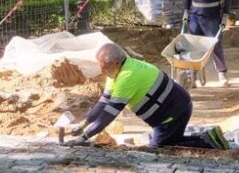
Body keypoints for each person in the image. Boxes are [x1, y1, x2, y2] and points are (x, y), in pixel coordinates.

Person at [65, 43, 229, 149]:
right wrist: (83, 123)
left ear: (115, 62)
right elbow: (102, 103)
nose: (102, 72)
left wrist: (84, 137)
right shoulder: (116, 72)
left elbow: (109, 114)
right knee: (171, 142)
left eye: (104, 67)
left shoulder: (127, 76)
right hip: (177, 107)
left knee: (159, 149)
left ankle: (207, 142)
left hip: (173, 114)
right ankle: (208, 139)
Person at [183, 0, 230, 85]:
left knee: (215, 45)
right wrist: (186, 12)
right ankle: (192, 76)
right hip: (195, 18)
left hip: (212, 18)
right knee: (194, 47)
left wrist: (225, 16)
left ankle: (222, 74)